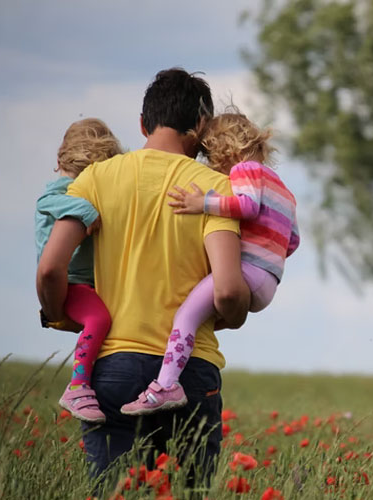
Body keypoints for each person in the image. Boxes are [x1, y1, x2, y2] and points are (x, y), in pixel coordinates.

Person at [36, 68, 250, 487]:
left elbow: (49, 268)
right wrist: (236, 312)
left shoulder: (95, 179)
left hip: (113, 368)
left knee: (115, 493)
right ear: (202, 126)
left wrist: (58, 312)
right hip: (190, 372)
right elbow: (226, 290)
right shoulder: (215, 190)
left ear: (142, 123)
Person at [121, 110, 299, 415]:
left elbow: (247, 206)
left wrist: (201, 203)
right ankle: (175, 370)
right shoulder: (284, 190)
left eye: (211, 156)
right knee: (201, 317)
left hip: (247, 272)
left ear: (226, 150)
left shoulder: (245, 171)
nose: (213, 166)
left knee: (185, 316)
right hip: (269, 281)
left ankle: (166, 385)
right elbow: (292, 241)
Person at [35, 118, 122, 424]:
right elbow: (47, 201)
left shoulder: (79, 187)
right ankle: (78, 385)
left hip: (86, 282)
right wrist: (86, 211)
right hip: (71, 282)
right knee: (99, 319)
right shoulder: (62, 191)